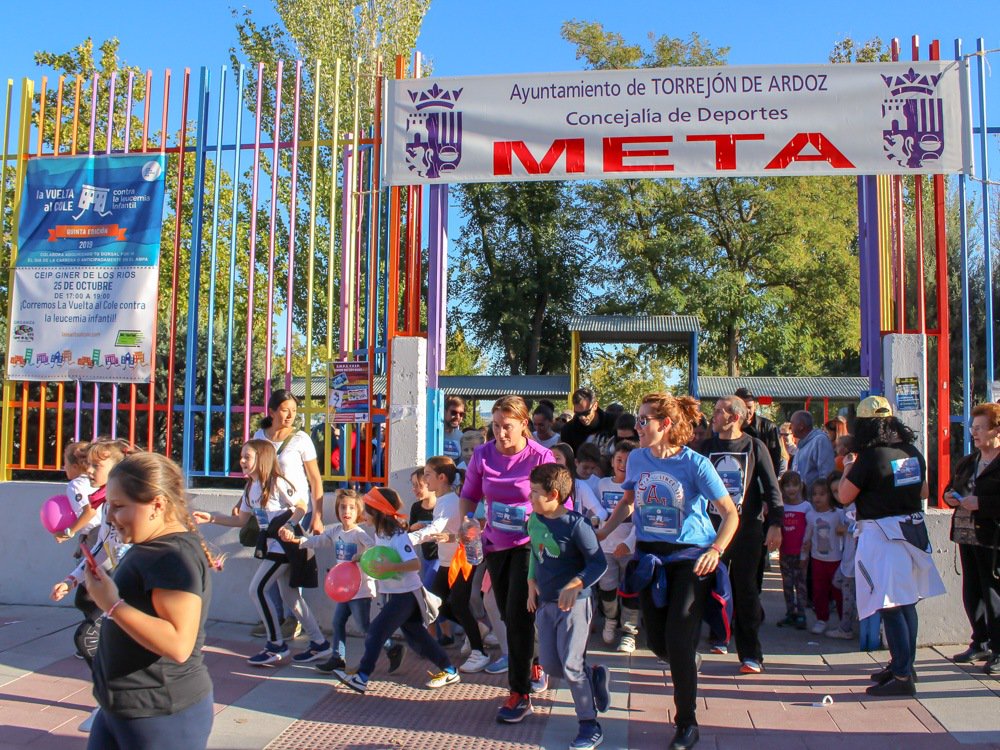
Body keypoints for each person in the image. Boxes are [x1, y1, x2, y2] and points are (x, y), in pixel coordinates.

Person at [598, 393, 739, 750]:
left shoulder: (695, 465)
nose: (639, 426)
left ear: (667, 425)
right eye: (639, 418)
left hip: (690, 559)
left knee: (677, 635)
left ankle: (687, 723)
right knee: (659, 642)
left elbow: (729, 513)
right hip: (649, 558)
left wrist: (716, 549)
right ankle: (686, 659)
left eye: (646, 420)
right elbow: (628, 503)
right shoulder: (638, 459)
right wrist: (599, 532)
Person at [83, 452, 220, 750]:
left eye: (119, 507)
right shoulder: (152, 546)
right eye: (109, 506)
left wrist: (113, 606)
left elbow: (178, 645)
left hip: (159, 714)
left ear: (157, 504)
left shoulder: (172, 557)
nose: (109, 517)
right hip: (123, 708)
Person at [838, 395, 945, 696]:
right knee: (906, 601)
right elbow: (923, 490)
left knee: (890, 604)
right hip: (911, 532)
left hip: (882, 535)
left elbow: (844, 496)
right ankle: (904, 664)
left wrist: (848, 467)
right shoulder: (911, 451)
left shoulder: (870, 457)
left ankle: (901, 676)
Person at [461, 395, 555, 724]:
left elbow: (561, 503)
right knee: (507, 612)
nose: (501, 434)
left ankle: (519, 693)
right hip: (495, 544)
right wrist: (467, 524)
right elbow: (469, 495)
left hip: (530, 544)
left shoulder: (541, 457)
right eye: (496, 426)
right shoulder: (483, 455)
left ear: (524, 426)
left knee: (516, 614)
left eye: (508, 427)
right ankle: (534, 660)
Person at [194, 439, 330, 666]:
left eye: (248, 456)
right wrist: (211, 518)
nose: (242, 461)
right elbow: (240, 520)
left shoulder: (277, 483)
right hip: (272, 544)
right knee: (290, 597)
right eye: (242, 456)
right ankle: (319, 643)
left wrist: (288, 525)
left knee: (257, 588)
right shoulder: (251, 488)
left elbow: (300, 506)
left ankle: (276, 644)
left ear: (263, 459)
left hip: (286, 545)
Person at [332, 487, 460, 693]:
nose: (363, 514)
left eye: (367, 510)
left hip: (406, 596)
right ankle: (449, 669)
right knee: (419, 637)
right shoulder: (382, 533)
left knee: (375, 631)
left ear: (378, 512)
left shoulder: (398, 535)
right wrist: (363, 557)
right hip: (397, 594)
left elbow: (414, 564)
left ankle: (362, 677)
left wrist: (389, 568)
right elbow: (384, 553)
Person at [527, 463, 610, 750]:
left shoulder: (577, 525)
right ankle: (594, 675)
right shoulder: (535, 519)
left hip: (576, 604)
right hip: (546, 603)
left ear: (553, 494)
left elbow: (599, 563)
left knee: (572, 666)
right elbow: (534, 553)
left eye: (534, 492)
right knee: (550, 664)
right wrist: (530, 584)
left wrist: (575, 584)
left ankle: (590, 725)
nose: (530, 497)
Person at [277, 489, 403, 675]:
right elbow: (317, 541)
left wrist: (361, 556)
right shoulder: (336, 531)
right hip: (343, 590)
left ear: (358, 511)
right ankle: (337, 659)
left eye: (352, 508)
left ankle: (392, 647)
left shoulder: (359, 533)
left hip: (360, 591)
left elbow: (374, 551)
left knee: (364, 626)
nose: (347, 511)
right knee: (338, 623)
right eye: (343, 507)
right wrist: (297, 540)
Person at [698, 396, 783, 673]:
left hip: (747, 529)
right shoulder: (705, 448)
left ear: (735, 417)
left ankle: (751, 655)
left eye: (720, 411)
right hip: (710, 528)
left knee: (745, 590)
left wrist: (775, 524)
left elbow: (772, 487)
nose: (714, 414)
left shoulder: (754, 446)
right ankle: (717, 636)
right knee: (703, 587)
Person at [50, 438, 133, 666]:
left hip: (133, 589)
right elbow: (101, 547)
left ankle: (113, 695)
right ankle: (109, 695)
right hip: (116, 584)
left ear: (117, 470)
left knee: (87, 638)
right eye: (88, 464)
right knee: (99, 640)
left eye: (96, 466)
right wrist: (70, 580)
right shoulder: (106, 504)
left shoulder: (134, 504)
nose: (88, 470)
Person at [253, 390, 325, 638]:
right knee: (270, 562)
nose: (290, 415)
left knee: (288, 564)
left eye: (293, 410)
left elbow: (315, 479)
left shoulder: (301, 439)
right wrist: (244, 501)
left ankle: (293, 620)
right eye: (285, 409)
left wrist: (317, 515)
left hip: (295, 511)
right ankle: (272, 615)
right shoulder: (259, 437)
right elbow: (255, 473)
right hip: (267, 510)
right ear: (271, 411)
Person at [419, 456, 492, 673]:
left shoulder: (452, 501)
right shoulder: (444, 500)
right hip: (446, 562)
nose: (424, 480)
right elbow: (441, 527)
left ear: (441, 478)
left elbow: (467, 531)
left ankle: (480, 652)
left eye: (427, 475)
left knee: (458, 604)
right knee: (435, 603)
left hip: (460, 561)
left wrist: (423, 535)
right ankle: (477, 628)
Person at [944, 402, 1000, 673]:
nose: (974, 434)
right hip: (966, 535)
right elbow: (950, 487)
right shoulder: (969, 461)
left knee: (994, 594)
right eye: (972, 429)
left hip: (992, 537)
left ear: (996, 430)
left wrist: (982, 503)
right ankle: (980, 641)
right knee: (973, 591)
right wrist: (948, 497)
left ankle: (999, 650)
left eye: (980, 428)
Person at [595, 440, 640, 653]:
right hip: (605, 548)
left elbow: (641, 520)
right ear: (612, 461)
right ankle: (610, 620)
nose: (623, 464)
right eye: (619, 459)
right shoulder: (602, 484)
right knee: (607, 588)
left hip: (629, 549)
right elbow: (594, 512)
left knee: (630, 590)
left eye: (628, 461)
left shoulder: (639, 486)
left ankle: (629, 632)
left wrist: (628, 542)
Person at [801, 480, 845, 635]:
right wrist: (803, 556)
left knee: (839, 592)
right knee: (819, 591)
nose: (817, 498)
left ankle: (843, 620)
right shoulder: (811, 516)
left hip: (836, 560)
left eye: (822, 494)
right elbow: (807, 537)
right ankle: (821, 619)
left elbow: (847, 531)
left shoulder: (838, 514)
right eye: (814, 494)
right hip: (817, 560)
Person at [776, 471, 809, 630]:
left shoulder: (806, 507)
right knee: (787, 585)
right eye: (787, 485)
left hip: (800, 553)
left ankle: (802, 613)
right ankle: (791, 612)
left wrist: (807, 552)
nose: (791, 489)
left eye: (794, 485)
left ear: (800, 486)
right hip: (785, 552)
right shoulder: (781, 507)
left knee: (800, 585)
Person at [827, 471, 857, 639]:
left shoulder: (855, 507)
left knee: (847, 593)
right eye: (834, 492)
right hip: (848, 558)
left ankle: (845, 628)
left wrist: (845, 529)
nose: (838, 495)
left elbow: (861, 527)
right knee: (839, 583)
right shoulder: (845, 508)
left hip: (854, 560)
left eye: (839, 490)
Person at [53, 441, 99, 544]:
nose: (64, 467)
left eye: (65, 464)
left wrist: (68, 532)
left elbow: (90, 511)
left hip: (96, 534)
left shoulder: (75, 485)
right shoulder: (98, 481)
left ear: (74, 466)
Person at [734, 387, 781, 473]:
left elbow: (775, 457)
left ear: (754, 406)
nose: (747, 411)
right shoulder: (730, 426)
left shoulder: (768, 427)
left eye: (750, 407)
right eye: (744, 407)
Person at [560, 388, 617, 454]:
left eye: (586, 413)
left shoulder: (614, 423)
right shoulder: (568, 430)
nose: (582, 417)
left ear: (595, 406)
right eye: (578, 414)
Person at [789, 410, 836, 489]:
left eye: (792, 423)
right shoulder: (801, 446)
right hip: (804, 499)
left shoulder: (820, 441)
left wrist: (820, 496)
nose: (790, 427)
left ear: (801, 426)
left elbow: (827, 473)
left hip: (815, 499)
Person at [443, 396, 467, 461]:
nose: (458, 417)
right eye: (454, 413)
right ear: (444, 412)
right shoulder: (433, 435)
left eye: (461, 414)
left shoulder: (461, 437)